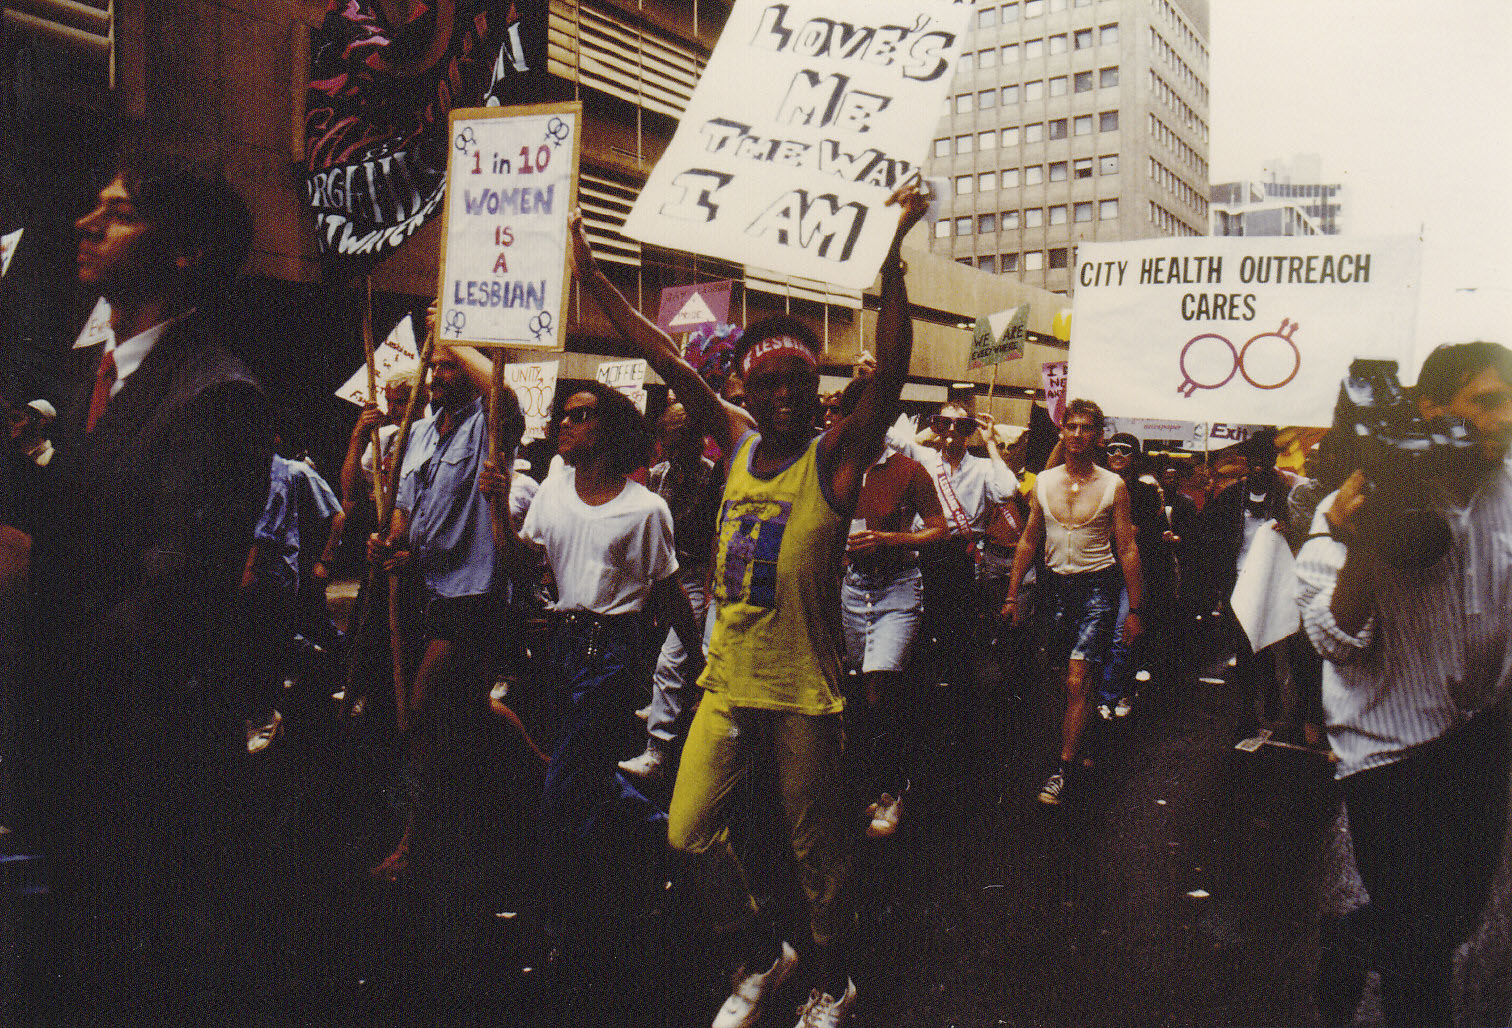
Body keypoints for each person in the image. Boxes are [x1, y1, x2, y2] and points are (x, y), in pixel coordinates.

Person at [567, 182, 928, 1027]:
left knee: (819, 860)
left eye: (800, 384)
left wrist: (891, 261)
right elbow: (667, 357)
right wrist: (594, 278)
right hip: (728, 681)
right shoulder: (732, 441)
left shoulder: (836, 461)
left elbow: (897, 371)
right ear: (747, 393)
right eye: (767, 387)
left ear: (818, 390)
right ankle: (767, 953)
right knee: (686, 831)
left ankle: (831, 984)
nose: (784, 398)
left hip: (804, 688)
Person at [15, 157, 276, 1023]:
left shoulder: (217, 396)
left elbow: (173, 604)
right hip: (81, 754)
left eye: (118, 214)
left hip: (140, 769)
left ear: (185, 253)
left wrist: (34, 611)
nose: (88, 223)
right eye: (94, 207)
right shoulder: (91, 380)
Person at [1297, 341, 1512, 1028]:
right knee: (1420, 962)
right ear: (1431, 407)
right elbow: (1332, 642)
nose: (1505, 416)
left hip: (1482, 741)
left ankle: (1360, 934)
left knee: (1452, 921)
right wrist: (1365, 541)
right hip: (1393, 755)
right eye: (1487, 400)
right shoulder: (1353, 503)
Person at [480, 380, 701, 947]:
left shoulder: (645, 509)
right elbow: (523, 562)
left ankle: (547, 905)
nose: (565, 424)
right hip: (558, 645)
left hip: (613, 651)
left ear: (611, 428)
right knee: (585, 772)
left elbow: (671, 591)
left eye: (581, 416)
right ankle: (662, 837)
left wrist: (699, 662)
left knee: (562, 780)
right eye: (563, 415)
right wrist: (495, 509)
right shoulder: (552, 492)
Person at [365, 346, 505, 880]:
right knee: (465, 710)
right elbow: (405, 509)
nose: (438, 377)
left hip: (470, 591)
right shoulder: (418, 433)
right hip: (420, 586)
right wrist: (390, 544)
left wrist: (455, 333)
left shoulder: (487, 426)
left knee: (425, 707)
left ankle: (414, 842)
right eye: (436, 366)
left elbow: (503, 395)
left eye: (449, 366)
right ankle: (531, 774)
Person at [1003, 399, 1142, 805]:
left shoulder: (1112, 485)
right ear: (1062, 431)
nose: (1077, 435)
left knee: (1076, 679)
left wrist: (1133, 610)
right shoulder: (1045, 482)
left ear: (1097, 436)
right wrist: (1012, 594)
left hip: (1098, 588)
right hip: (1053, 589)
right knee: (1057, 679)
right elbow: (1030, 538)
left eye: (1086, 429)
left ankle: (1061, 768)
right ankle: (1077, 741)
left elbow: (1127, 549)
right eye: (1071, 427)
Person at [836, 376, 946, 838]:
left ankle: (891, 791)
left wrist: (891, 538)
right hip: (850, 587)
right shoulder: (835, 466)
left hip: (898, 586)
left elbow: (938, 527)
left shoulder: (906, 468)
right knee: (860, 690)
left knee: (880, 682)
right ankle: (867, 781)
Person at [888, 400, 1021, 753]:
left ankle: (957, 721)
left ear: (971, 432)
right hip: (923, 552)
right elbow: (888, 438)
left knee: (958, 638)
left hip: (961, 558)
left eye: (962, 427)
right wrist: (930, 429)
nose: (952, 433)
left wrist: (990, 442)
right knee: (916, 629)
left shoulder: (981, 468)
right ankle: (918, 708)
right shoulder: (923, 457)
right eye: (944, 424)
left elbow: (1007, 490)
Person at [619, 397, 725, 783]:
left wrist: (712, 582)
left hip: (694, 575)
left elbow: (716, 533)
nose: (681, 443)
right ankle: (666, 703)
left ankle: (657, 749)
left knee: (673, 658)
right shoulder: (655, 477)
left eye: (688, 435)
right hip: (657, 576)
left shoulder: (713, 476)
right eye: (673, 435)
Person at [1203, 430, 1297, 731]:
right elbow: (1212, 534)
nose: (1260, 465)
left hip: (1270, 579)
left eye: (1265, 460)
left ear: (1273, 461)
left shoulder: (1285, 495)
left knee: (1264, 640)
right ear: (1248, 461)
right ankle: (1249, 707)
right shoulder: (1232, 495)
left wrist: (1289, 530)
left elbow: (1300, 532)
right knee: (1245, 644)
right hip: (1238, 579)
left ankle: (1267, 696)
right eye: (1255, 459)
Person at [1097, 433, 1175, 719]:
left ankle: (1113, 694)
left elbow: (1152, 535)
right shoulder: (1096, 485)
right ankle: (1109, 691)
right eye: (1112, 449)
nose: (1117, 454)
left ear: (1135, 456)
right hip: (1100, 569)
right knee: (1101, 634)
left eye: (1125, 450)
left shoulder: (1145, 492)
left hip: (1132, 573)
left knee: (1123, 632)